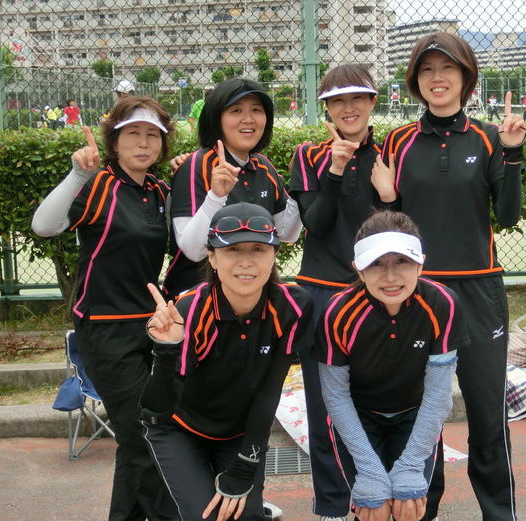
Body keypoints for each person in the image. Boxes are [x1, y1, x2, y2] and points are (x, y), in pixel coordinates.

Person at [373, 32, 526, 521]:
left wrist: (513, 153)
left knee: (487, 417)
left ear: (465, 77)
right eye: (426, 69)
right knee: (421, 421)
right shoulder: (397, 141)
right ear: (415, 81)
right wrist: (387, 197)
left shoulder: (488, 137)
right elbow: (388, 227)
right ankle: (424, 511)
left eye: (447, 68)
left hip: (479, 292)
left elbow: (509, 215)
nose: (437, 78)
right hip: (418, 294)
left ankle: (499, 514)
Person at [31, 96, 179, 521]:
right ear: (114, 141)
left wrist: (189, 175)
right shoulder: (98, 184)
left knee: (137, 439)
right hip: (105, 330)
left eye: (153, 135)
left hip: (152, 327)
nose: (143, 143)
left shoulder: (160, 191)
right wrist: (78, 174)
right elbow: (44, 226)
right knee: (144, 436)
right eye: (133, 133)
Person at [141, 202, 314, 521]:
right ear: (212, 256)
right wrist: (165, 351)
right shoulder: (190, 309)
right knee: (205, 517)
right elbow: (155, 413)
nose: (246, 261)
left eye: (258, 249)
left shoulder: (293, 305)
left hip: (239, 433)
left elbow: (270, 389)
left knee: (244, 516)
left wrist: (246, 464)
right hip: (181, 430)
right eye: (232, 249)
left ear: (275, 254)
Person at [288, 64, 399, 521]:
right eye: (337, 101)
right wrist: (334, 171)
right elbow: (315, 224)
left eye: (357, 98)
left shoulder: (391, 153)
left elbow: (402, 232)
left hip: (377, 295)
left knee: (377, 403)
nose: (348, 108)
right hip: (320, 295)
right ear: (327, 108)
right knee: (324, 409)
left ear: (373, 102)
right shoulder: (308, 155)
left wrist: (390, 196)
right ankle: (333, 506)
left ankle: (378, 497)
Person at [314, 210, 466, 521]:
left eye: (402, 261)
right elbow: (336, 396)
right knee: (374, 509)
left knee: (410, 509)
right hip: (359, 416)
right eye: (376, 264)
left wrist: (411, 465)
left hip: (415, 414)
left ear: (420, 264)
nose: (391, 276)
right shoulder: (337, 312)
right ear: (359, 270)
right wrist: (369, 470)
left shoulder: (442, 303)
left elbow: (439, 394)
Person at [163, 78, 302, 300]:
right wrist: (216, 196)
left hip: (249, 298)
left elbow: (287, 234)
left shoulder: (264, 167)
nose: (248, 119)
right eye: (236, 110)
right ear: (215, 118)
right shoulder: (196, 165)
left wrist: (301, 179)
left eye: (256, 110)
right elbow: (192, 251)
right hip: (197, 300)